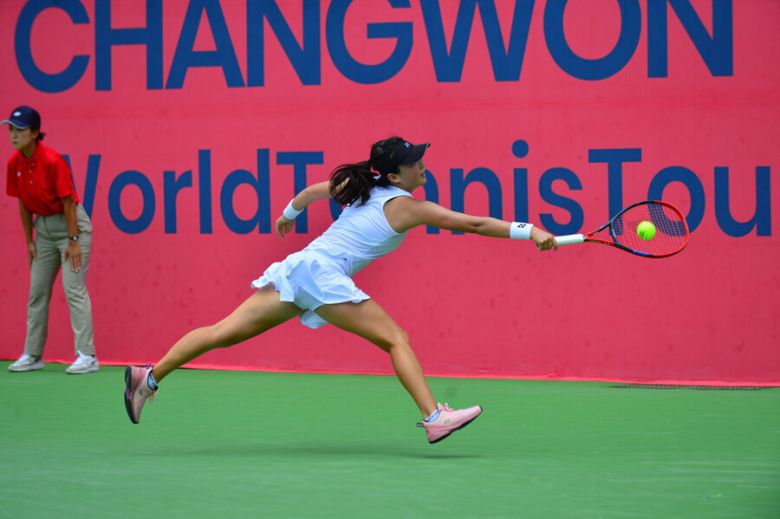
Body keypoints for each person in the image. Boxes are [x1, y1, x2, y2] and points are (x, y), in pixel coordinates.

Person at [124, 136, 557, 443]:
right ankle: (433, 417)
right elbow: (473, 223)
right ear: (395, 174)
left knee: (223, 332)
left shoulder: (364, 187)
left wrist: (288, 214)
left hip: (299, 269)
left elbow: (310, 192)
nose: (423, 164)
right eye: (414, 162)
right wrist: (530, 230)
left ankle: (149, 376)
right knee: (396, 339)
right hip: (322, 274)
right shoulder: (407, 207)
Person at [4, 106, 99, 374]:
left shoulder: (52, 161)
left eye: (20, 130)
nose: (13, 135)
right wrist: (29, 240)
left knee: (73, 289)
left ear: (35, 133)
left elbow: (68, 202)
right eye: (11, 129)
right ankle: (33, 355)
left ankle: (87, 356)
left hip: (71, 227)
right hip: (43, 232)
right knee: (37, 291)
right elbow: (23, 204)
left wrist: (73, 240)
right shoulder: (14, 164)